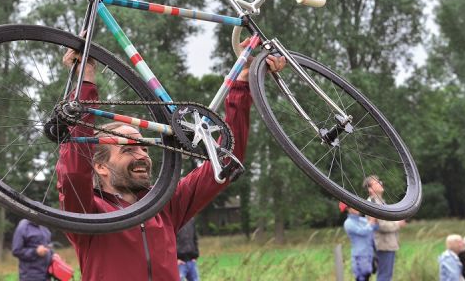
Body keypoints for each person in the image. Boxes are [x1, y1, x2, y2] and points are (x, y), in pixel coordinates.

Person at [57, 42, 285, 280]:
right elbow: (73, 171)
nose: (143, 156)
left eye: (145, 148)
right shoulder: (86, 212)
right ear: (100, 166)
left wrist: (244, 81)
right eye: (129, 150)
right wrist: (87, 81)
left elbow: (225, 161)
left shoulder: (163, 204)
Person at [363, 175, 406, 281]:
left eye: (380, 181)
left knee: (386, 275)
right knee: (384, 276)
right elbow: (382, 226)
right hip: (383, 245)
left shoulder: (380, 202)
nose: (381, 183)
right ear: (370, 189)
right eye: (377, 182)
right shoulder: (372, 204)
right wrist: (398, 224)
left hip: (387, 244)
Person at [341, 202, 379, 281]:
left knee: (367, 276)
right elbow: (363, 231)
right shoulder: (348, 223)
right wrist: (371, 222)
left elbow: (375, 228)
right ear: (348, 209)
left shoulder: (362, 220)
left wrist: (376, 221)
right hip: (359, 256)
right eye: (353, 207)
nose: (356, 208)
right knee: (361, 278)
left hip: (369, 254)